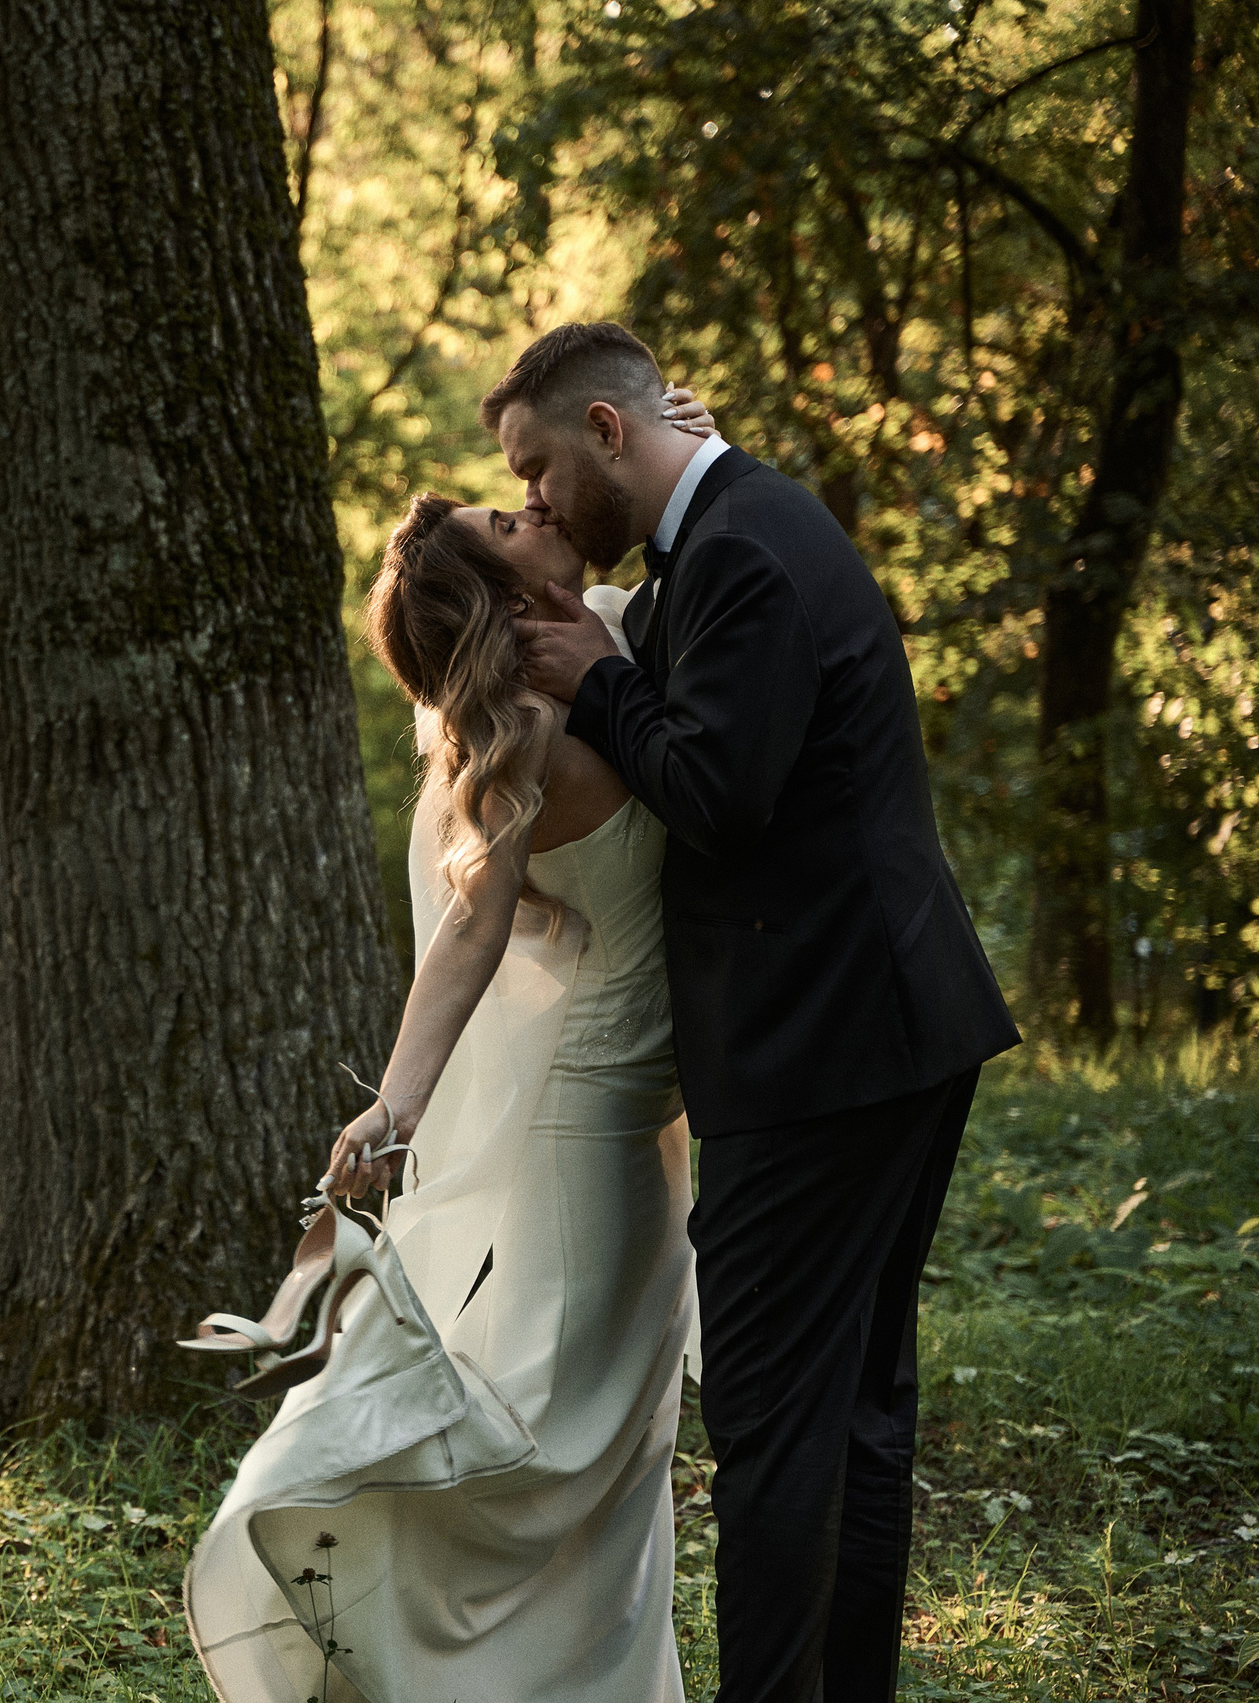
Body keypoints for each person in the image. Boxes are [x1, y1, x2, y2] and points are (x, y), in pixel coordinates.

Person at [505, 322, 1020, 1703]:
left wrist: (593, 680)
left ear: (609, 433)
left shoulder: (737, 547)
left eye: (541, 469)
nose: (538, 503)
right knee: (851, 1413)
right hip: (885, 1024)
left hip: (823, 1046)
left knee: (779, 1423)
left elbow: (722, 793)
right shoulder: (730, 527)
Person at [185, 386, 723, 1703]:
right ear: (498, 586)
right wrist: (399, 1103)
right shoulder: (536, 726)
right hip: (590, 1122)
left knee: (618, 1439)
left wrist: (687, 446)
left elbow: (685, 556)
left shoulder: (600, 642)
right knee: (564, 1445)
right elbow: (472, 939)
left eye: (527, 489)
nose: (541, 502)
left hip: (639, 1113)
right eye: (511, 513)